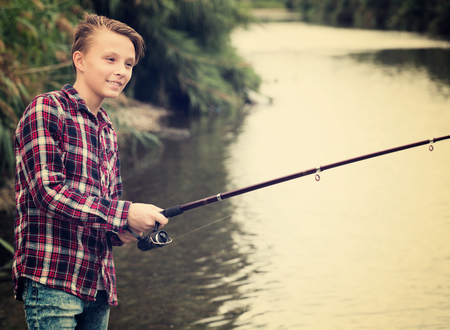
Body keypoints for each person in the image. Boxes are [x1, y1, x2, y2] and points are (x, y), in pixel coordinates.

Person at [13, 13, 168, 329]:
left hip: (99, 285)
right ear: (79, 60)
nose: (120, 71)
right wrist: (124, 213)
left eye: (128, 64)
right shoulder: (47, 109)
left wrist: (122, 229)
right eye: (110, 59)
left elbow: (104, 207)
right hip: (52, 280)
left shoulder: (107, 127)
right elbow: (48, 192)